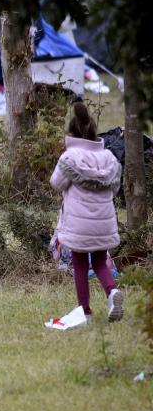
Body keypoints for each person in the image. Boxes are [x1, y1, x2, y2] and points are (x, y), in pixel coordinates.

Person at [49, 101, 125, 323]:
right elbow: (116, 187)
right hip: (103, 222)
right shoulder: (109, 158)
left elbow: (56, 183)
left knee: (80, 264)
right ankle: (112, 292)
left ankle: (85, 311)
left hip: (78, 224)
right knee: (101, 263)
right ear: (93, 131)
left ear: (72, 132)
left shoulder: (69, 158)